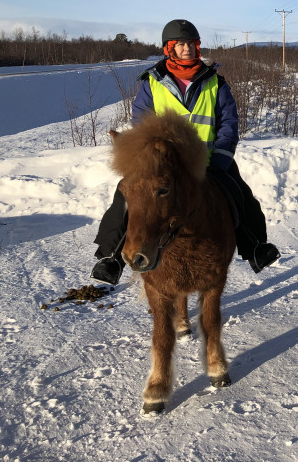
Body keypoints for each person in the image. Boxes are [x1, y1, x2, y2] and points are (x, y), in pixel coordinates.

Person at [90, 19, 280, 285]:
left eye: (192, 44)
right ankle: (111, 257)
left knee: (240, 196)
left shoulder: (214, 81)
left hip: (209, 162)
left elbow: (229, 122)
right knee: (126, 195)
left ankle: (256, 247)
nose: (188, 49)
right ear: (170, 48)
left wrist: (221, 158)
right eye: (181, 44)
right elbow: (142, 123)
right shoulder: (152, 82)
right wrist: (153, 155)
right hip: (163, 163)